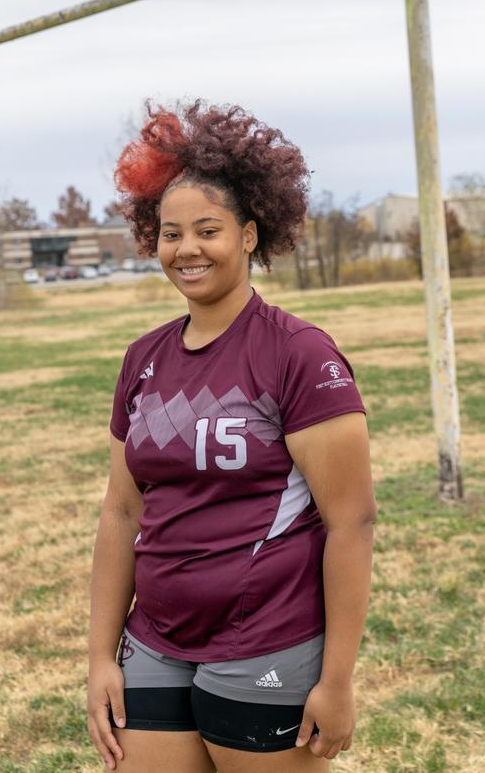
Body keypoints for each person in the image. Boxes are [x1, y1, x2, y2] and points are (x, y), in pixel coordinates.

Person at [87, 101, 377, 772]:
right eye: (169, 234)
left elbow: (352, 522)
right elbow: (122, 512)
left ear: (249, 235)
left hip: (267, 643)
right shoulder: (142, 359)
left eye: (207, 230)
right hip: (154, 643)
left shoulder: (299, 354)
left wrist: (336, 683)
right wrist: (101, 656)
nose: (186, 249)